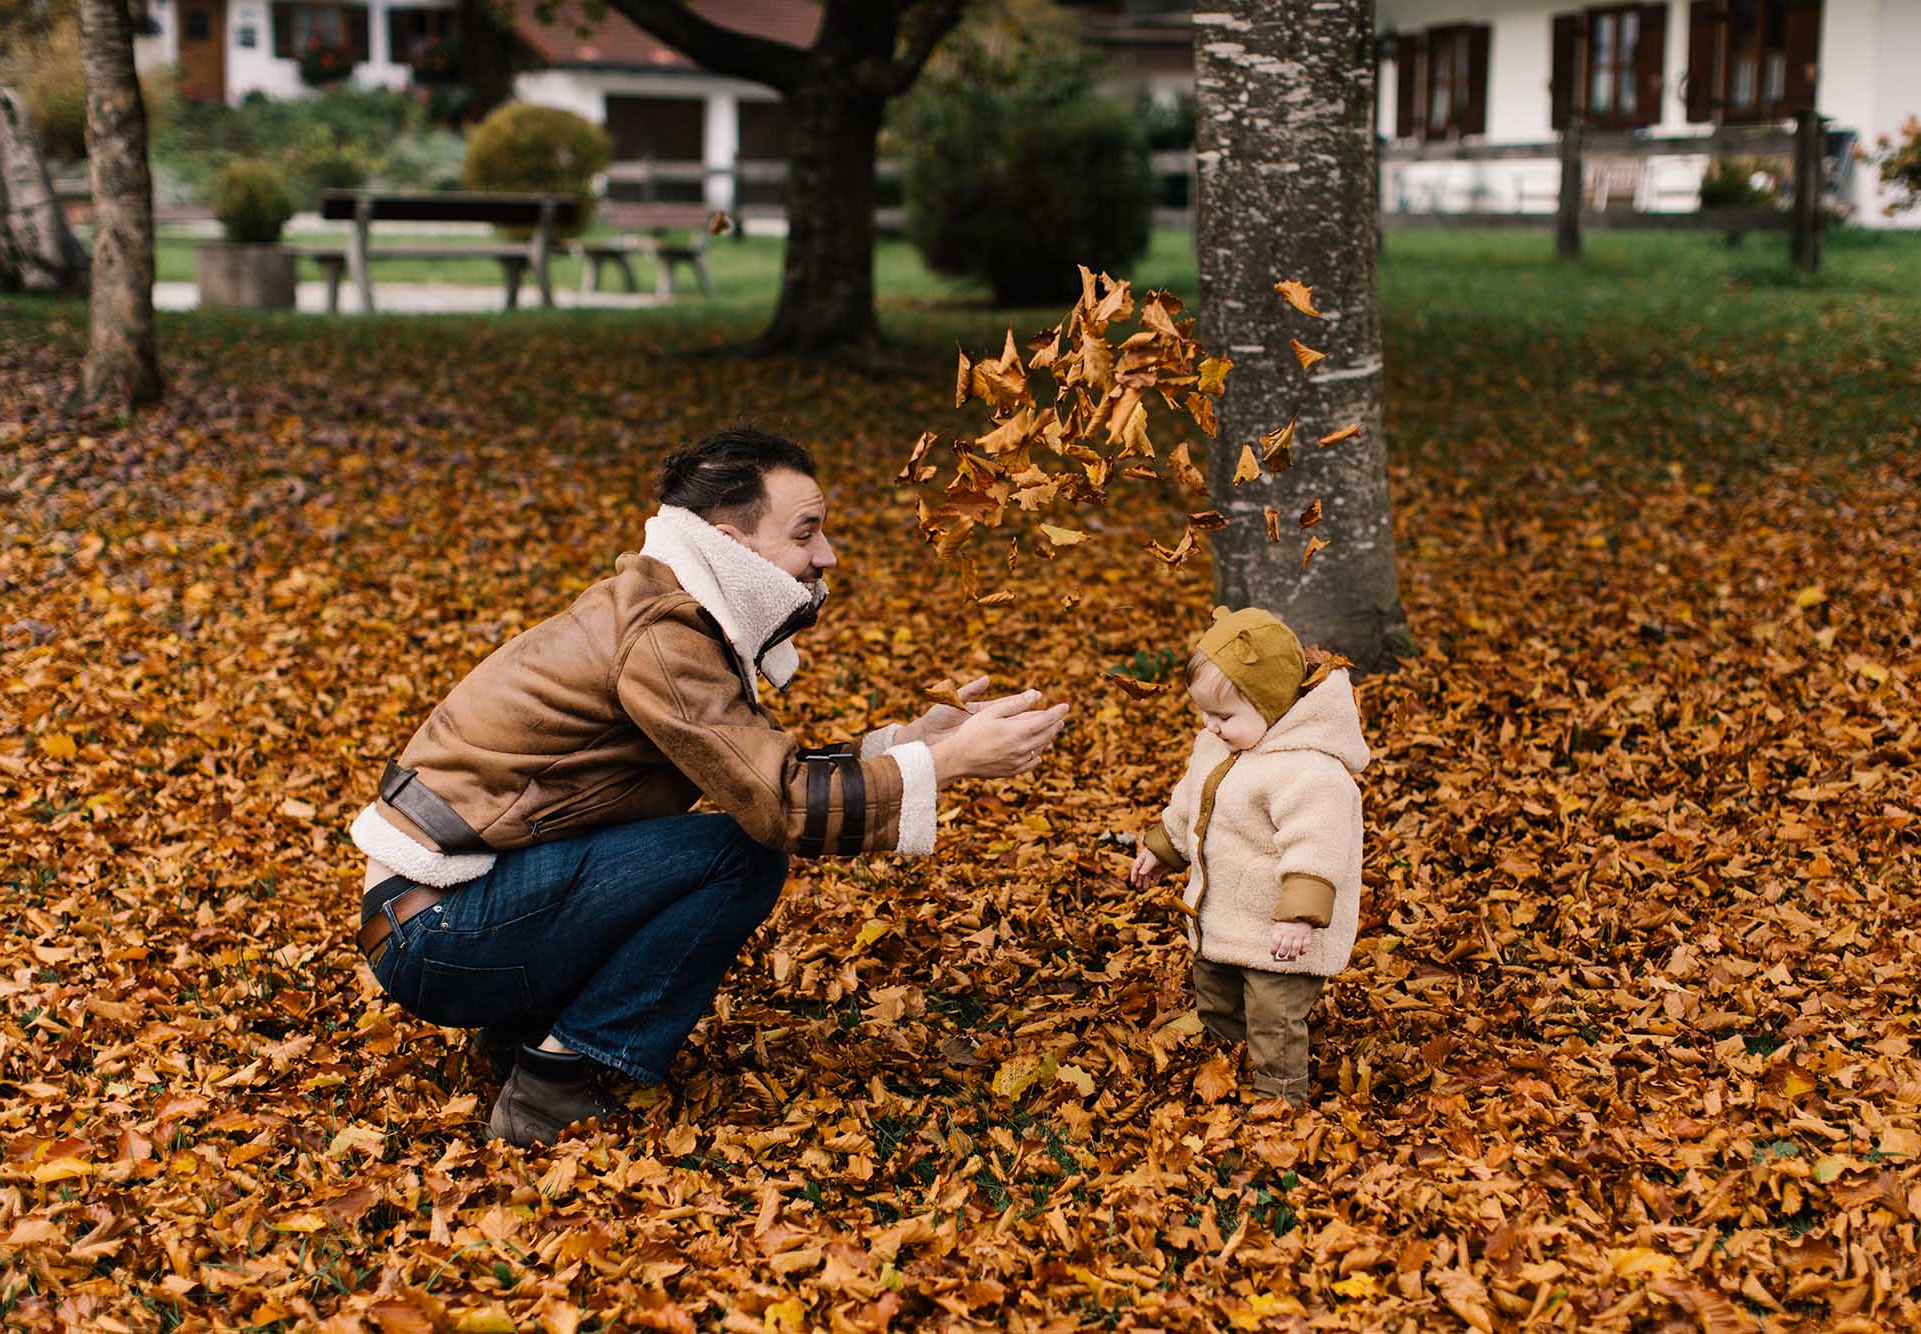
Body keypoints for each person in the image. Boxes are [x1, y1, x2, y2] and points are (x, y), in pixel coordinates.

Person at [350, 428, 1070, 1146]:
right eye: (806, 532)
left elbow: (752, 775)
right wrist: (950, 764)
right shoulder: (665, 632)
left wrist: (915, 743)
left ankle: (522, 1034)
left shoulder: (665, 608)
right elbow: (778, 807)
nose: (827, 555)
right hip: (437, 938)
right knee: (743, 854)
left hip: (442, 917)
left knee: (719, 843)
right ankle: (550, 1081)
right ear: (732, 542)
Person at [1125, 607, 1370, 1105]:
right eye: (1204, 714)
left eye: (1223, 716)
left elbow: (1317, 846)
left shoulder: (1309, 771)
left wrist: (1299, 918)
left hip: (1281, 933)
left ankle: (1279, 1097)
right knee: (1215, 991)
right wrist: (1162, 848)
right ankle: (1224, 1064)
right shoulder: (1217, 748)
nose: (1209, 727)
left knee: (1273, 1016)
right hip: (1225, 916)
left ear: (1274, 706)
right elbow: (1191, 803)